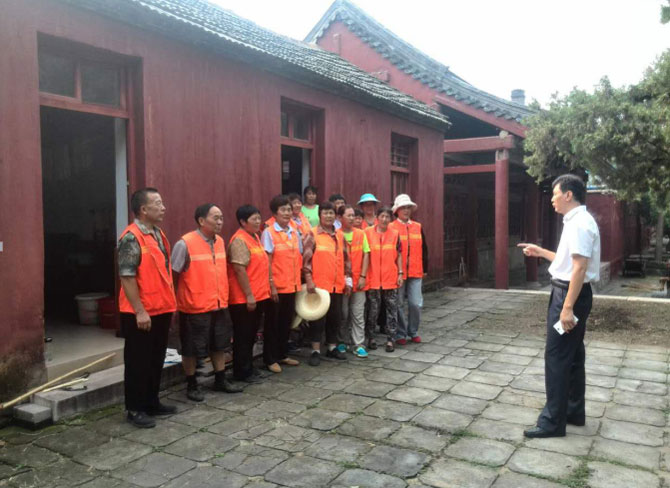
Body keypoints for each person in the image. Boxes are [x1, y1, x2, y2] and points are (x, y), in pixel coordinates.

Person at [518, 174, 600, 439]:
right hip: (571, 292)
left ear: (568, 195)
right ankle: (573, 411)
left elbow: (579, 268)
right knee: (573, 355)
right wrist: (540, 251)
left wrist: (566, 308)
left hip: (569, 296)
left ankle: (553, 422)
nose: (552, 199)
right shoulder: (577, 221)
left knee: (556, 356)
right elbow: (568, 262)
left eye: (555, 194)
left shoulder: (579, 224)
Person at [118, 188, 177, 428]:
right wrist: (140, 310)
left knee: (155, 359)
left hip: (160, 308)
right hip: (140, 312)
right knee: (138, 362)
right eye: (158, 203)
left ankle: (152, 402)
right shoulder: (131, 238)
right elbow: (127, 276)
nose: (163, 208)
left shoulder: (157, 234)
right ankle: (135, 408)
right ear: (143, 209)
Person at [171, 204, 242, 402]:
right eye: (215, 218)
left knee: (219, 345)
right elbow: (173, 275)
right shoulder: (185, 243)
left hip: (219, 304)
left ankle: (220, 379)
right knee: (191, 348)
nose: (220, 222)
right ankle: (192, 384)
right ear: (202, 220)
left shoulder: (220, 241)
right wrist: (175, 303)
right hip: (194, 306)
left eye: (221, 218)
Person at [302, 201, 352, 366]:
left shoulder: (340, 236)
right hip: (319, 286)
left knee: (335, 318)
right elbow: (306, 259)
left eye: (331, 213)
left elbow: (346, 260)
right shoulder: (312, 234)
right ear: (320, 216)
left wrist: (348, 281)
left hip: (337, 285)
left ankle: (332, 348)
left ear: (335, 216)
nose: (329, 216)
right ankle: (315, 350)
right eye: (325, 213)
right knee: (317, 319)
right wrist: (309, 280)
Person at [228, 205, 271, 383]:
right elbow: (239, 270)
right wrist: (249, 295)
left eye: (259, 218)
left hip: (258, 295)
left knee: (251, 334)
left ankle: (248, 368)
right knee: (243, 336)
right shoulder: (239, 240)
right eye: (254, 219)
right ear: (243, 221)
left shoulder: (255, 237)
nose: (258, 222)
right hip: (243, 298)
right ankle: (241, 372)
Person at [261, 195, 302, 373]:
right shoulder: (269, 232)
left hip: (292, 285)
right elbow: (267, 261)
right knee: (272, 324)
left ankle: (282, 354)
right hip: (277, 287)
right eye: (283, 210)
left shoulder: (294, 231)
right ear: (274, 213)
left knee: (286, 322)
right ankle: (270, 359)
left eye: (288, 209)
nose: (287, 213)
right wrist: (271, 285)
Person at [390, 194, 428, 345]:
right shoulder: (392, 227)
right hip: (397, 272)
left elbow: (424, 249)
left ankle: (413, 331)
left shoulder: (417, 226)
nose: (406, 210)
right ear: (397, 210)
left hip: (416, 270)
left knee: (415, 303)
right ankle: (400, 333)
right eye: (403, 208)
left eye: (408, 208)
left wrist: (425, 268)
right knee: (398, 304)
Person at [364, 206, 403, 353]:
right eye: (382, 216)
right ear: (377, 217)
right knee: (372, 311)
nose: (385, 220)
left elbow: (399, 255)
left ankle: (391, 339)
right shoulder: (367, 233)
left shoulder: (395, 234)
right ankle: (371, 338)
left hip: (390, 278)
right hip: (373, 278)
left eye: (387, 217)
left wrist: (400, 273)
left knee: (392, 310)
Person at [337, 205, 370, 358]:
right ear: (340, 218)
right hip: (341, 282)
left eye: (353, 215)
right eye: (348, 215)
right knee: (343, 313)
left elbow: (366, 254)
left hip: (358, 281)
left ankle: (358, 344)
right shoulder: (336, 235)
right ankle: (342, 341)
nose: (352, 218)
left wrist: (363, 276)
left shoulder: (361, 234)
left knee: (358, 313)